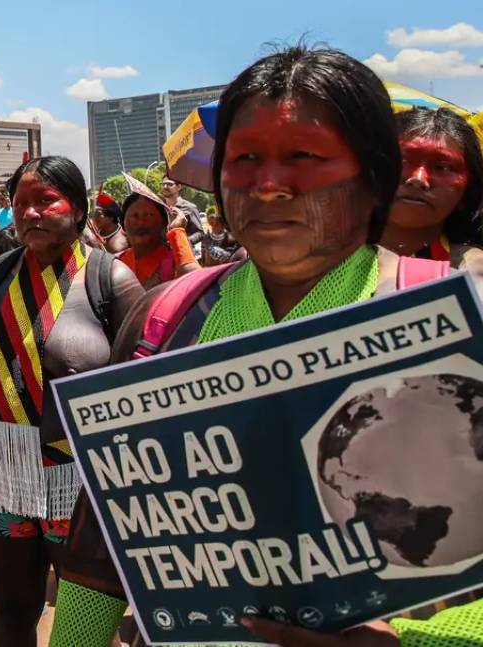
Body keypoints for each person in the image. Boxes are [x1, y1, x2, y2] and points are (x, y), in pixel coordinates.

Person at [50, 45, 483, 647]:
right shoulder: (166, 320)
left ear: (375, 176)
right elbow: (102, 546)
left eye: (304, 157)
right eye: (245, 158)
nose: (269, 185)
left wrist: (410, 642)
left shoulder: (460, 321)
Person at [0, 155, 143, 647]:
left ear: (78, 209)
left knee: (87, 623)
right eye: (21, 204)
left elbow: (142, 386)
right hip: (3, 471)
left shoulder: (111, 281)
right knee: (14, 610)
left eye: (46, 200)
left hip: (80, 476)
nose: (30, 213)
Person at [380, 107, 483, 268]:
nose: (418, 179)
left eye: (443, 168)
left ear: (468, 190)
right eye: (403, 161)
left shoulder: (472, 274)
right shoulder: (330, 257)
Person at [116, 189, 201, 288]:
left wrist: (177, 230)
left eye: (149, 215)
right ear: (123, 223)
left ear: (164, 222)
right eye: (134, 216)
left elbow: (196, 282)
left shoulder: (176, 262)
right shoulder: (116, 263)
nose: (141, 223)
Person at [160, 176, 204, 242]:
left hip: (182, 250)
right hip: (162, 250)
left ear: (179, 187)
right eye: (163, 184)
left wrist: (185, 241)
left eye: (169, 184)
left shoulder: (190, 207)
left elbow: (200, 233)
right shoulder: (159, 206)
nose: (165, 187)